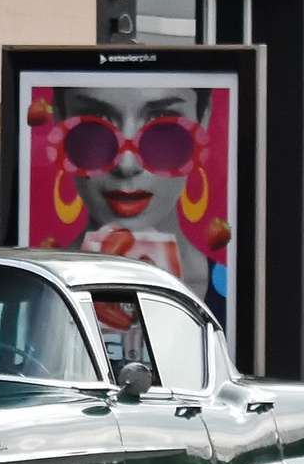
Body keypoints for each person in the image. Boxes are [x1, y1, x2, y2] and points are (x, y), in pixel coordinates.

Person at [49, 83, 222, 315]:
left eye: (162, 121)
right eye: (95, 120)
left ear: (203, 120)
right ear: (60, 118)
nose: (126, 165)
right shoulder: (36, 294)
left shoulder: (234, 297)